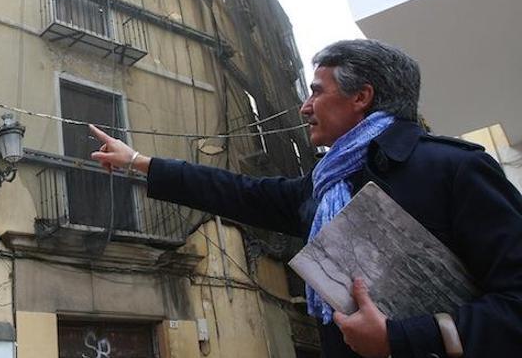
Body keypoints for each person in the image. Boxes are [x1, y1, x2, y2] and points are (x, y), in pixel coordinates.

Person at [90, 39, 522, 358]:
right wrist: (140, 162)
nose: (304, 106)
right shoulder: (326, 185)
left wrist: (402, 337)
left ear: (361, 97)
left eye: (317, 90)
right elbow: (238, 192)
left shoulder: (454, 169)